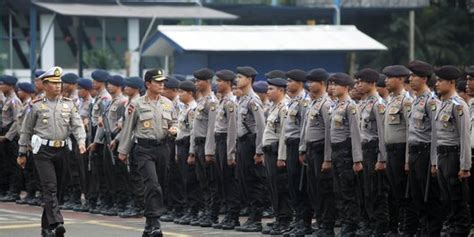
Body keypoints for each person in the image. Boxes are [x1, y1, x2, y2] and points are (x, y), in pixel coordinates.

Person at [17, 66, 86, 237]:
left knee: (58, 190)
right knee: (50, 187)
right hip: (43, 151)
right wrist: (22, 152)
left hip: (62, 150)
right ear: (45, 85)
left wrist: (81, 142)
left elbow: (77, 125)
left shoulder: (69, 105)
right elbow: (26, 130)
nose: (57, 86)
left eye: (59, 83)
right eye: (53, 83)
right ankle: (57, 223)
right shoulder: (36, 106)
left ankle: (46, 228)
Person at [118, 69, 177, 237]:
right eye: (157, 81)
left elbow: (175, 120)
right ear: (148, 84)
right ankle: (156, 221)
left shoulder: (168, 103)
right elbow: (128, 128)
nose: (161, 84)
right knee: (152, 184)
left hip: (163, 148)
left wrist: (175, 128)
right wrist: (123, 151)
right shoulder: (137, 104)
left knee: (161, 185)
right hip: (143, 149)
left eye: (162, 81)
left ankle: (149, 224)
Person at [406, 60, 443, 236]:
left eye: (413, 76)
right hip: (414, 153)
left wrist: (434, 161)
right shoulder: (415, 101)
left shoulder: (431, 101)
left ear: (424, 79)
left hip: (425, 153)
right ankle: (423, 229)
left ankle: (432, 231)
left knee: (430, 196)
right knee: (417, 196)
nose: (410, 79)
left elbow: (436, 133)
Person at [434, 65, 471, 236]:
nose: (437, 84)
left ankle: (460, 229)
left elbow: (464, 137)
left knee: (456, 196)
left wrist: (465, 166)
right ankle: (450, 226)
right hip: (442, 155)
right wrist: (435, 161)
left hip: (453, 155)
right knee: (446, 196)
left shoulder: (458, 105)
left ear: (451, 82)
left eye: (441, 81)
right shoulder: (442, 105)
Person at [299, 68, 336, 237]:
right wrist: (303, 149)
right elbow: (305, 129)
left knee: (324, 190)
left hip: (321, 150)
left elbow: (330, 133)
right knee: (313, 189)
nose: (309, 84)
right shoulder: (314, 103)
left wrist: (327, 158)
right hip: (312, 150)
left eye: (312, 81)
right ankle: (320, 222)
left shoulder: (326, 104)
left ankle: (327, 226)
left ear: (321, 83)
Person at [381, 65, 417, 235]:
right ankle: (398, 227)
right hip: (390, 151)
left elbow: (411, 131)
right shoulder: (390, 100)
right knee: (395, 192)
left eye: (390, 77)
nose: (386, 80)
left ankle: (408, 229)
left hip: (401, 150)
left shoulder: (406, 101)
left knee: (405, 193)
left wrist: (408, 159)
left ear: (401, 79)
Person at [329, 73, 363, 236]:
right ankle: (344, 221)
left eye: (336, 84)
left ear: (346, 87)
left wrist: (357, 159)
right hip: (335, 151)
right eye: (332, 84)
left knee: (348, 190)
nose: (333, 87)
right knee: (338, 190)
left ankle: (351, 224)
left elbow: (356, 134)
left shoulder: (351, 106)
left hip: (345, 152)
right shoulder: (336, 105)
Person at [355, 68, 389, 236]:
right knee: (365, 190)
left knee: (376, 190)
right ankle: (368, 222)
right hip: (364, 150)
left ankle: (379, 225)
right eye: (358, 81)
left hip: (374, 149)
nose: (358, 85)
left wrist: (382, 158)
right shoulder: (363, 103)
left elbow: (383, 133)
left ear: (372, 83)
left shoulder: (379, 103)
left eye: (361, 81)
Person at [233, 66, 266, 233]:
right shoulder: (242, 99)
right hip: (243, 144)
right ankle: (251, 217)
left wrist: (259, 151)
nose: (237, 79)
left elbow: (261, 126)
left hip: (251, 143)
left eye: (240, 77)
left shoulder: (253, 100)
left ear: (249, 79)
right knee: (245, 180)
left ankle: (256, 219)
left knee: (254, 182)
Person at [282, 69, 313, 236]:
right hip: (290, 145)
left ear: (300, 83)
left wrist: (302, 149)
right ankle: (298, 219)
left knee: (301, 185)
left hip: (298, 147)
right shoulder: (293, 102)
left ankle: (304, 222)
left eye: (290, 81)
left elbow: (304, 129)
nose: (287, 84)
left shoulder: (304, 102)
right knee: (293, 185)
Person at [211, 70, 241, 230]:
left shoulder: (230, 103)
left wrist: (230, 152)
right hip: (219, 142)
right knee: (222, 180)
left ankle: (233, 216)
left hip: (226, 143)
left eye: (220, 81)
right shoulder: (222, 101)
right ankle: (229, 214)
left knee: (230, 181)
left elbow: (232, 129)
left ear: (228, 83)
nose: (217, 83)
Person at [261, 77, 291, 235]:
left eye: (271, 89)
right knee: (272, 187)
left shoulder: (284, 107)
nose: (268, 92)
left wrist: (281, 156)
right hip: (269, 152)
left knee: (280, 187)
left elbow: (283, 135)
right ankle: (279, 217)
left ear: (281, 90)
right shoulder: (274, 107)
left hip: (277, 152)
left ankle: (285, 219)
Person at [117, 76, 145, 218]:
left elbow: (130, 129)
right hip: (131, 143)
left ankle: (138, 206)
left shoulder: (136, 103)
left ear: (136, 88)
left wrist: (124, 149)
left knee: (137, 176)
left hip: (136, 143)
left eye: (129, 86)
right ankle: (136, 203)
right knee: (133, 176)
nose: (125, 88)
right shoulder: (128, 103)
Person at [160, 77, 186, 222]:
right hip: (168, 142)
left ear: (174, 91)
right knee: (168, 176)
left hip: (178, 142)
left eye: (165, 89)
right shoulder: (166, 104)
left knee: (176, 177)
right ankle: (170, 206)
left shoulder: (179, 105)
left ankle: (178, 207)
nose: (162, 91)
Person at [87, 69, 112, 214]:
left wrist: (97, 141)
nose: (93, 83)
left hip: (102, 138)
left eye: (95, 81)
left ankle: (106, 200)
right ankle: (101, 199)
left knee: (103, 172)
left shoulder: (105, 99)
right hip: (95, 134)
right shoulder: (98, 98)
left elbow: (104, 122)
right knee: (97, 171)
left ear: (101, 82)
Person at [10, 82, 36, 205]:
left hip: (30, 142)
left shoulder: (30, 106)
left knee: (31, 168)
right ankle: (30, 193)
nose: (18, 92)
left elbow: (29, 126)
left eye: (20, 91)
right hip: (23, 140)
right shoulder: (26, 105)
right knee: (27, 169)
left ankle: (32, 193)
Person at [0, 75, 21, 202]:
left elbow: (17, 121)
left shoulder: (14, 101)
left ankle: (14, 191)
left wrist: (7, 137)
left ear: (10, 86)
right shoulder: (6, 100)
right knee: (5, 164)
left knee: (14, 164)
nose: (1, 87)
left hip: (11, 136)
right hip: (5, 133)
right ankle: (7, 189)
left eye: (3, 84)